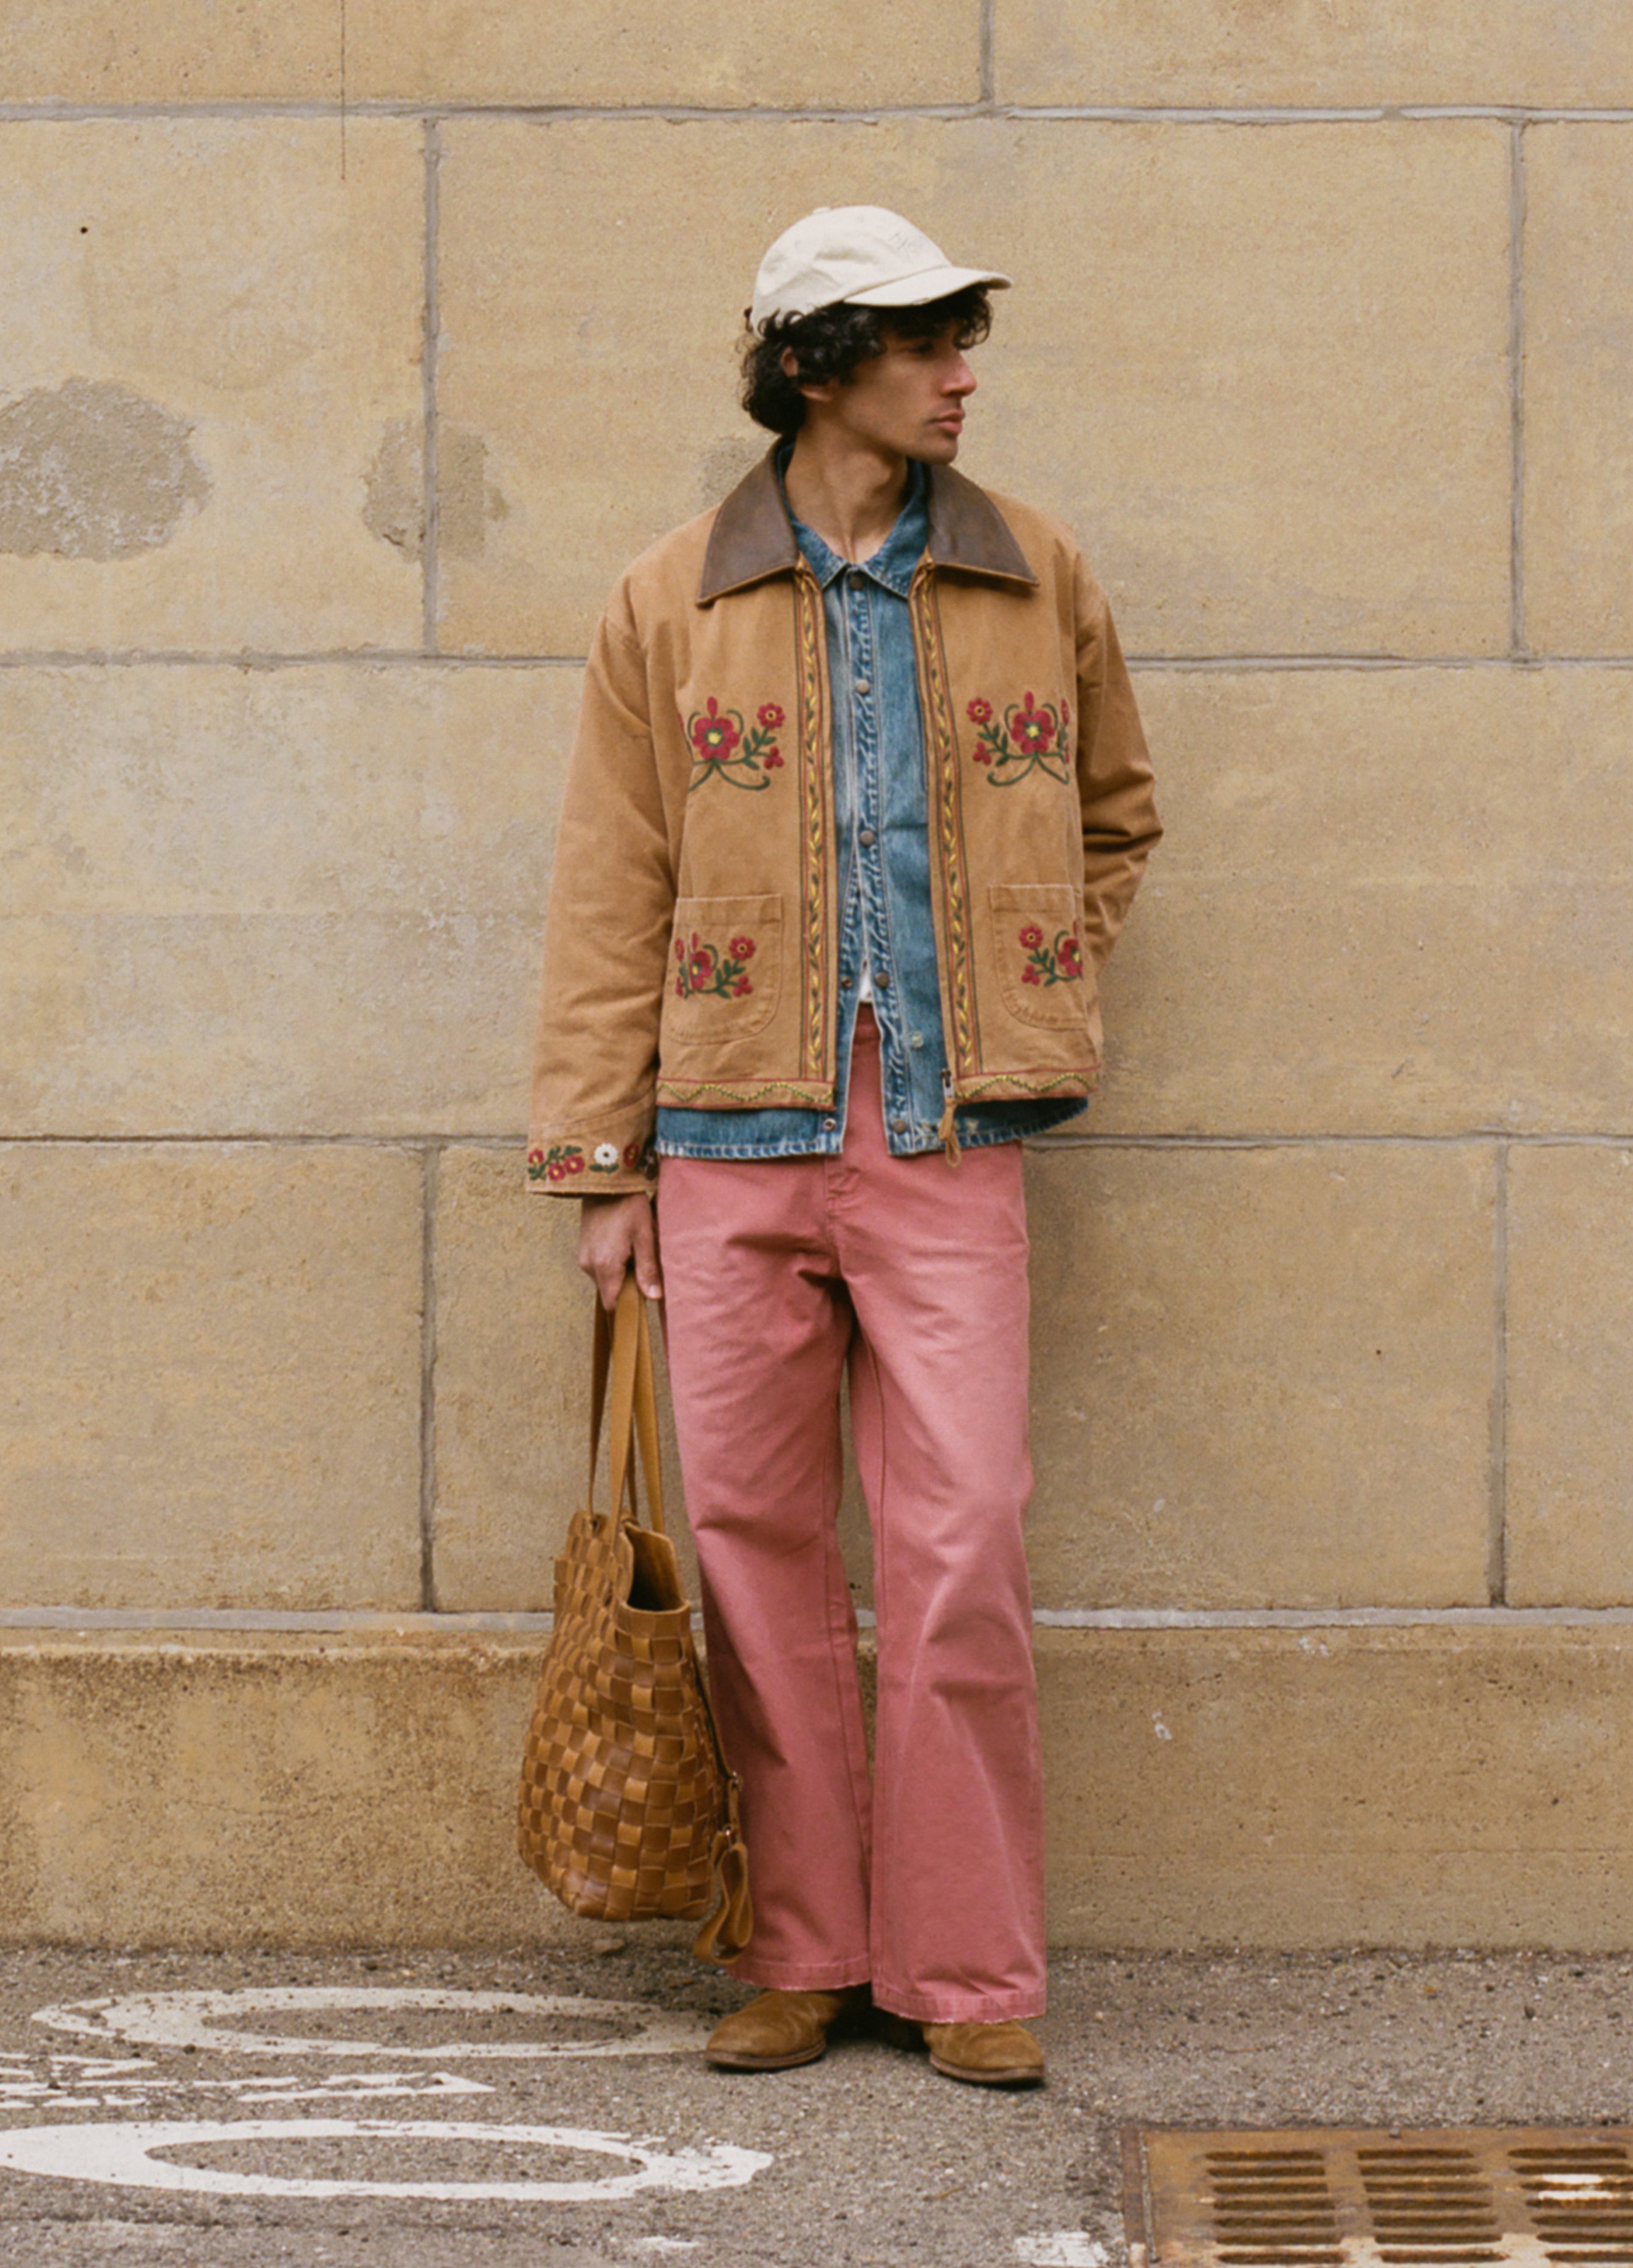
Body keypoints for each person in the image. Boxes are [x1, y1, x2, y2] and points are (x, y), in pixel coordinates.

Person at [527, 205, 1160, 2087]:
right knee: (756, 1556)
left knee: (960, 1544)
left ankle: (969, 1966)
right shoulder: (672, 599)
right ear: (814, 366)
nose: (962, 370)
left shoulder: (1033, 569)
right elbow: (608, 887)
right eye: (922, 340)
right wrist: (600, 1163)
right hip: (726, 1136)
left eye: (965, 335)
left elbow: (1118, 816)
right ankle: (800, 1947)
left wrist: (1039, 962)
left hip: (947, 1133)